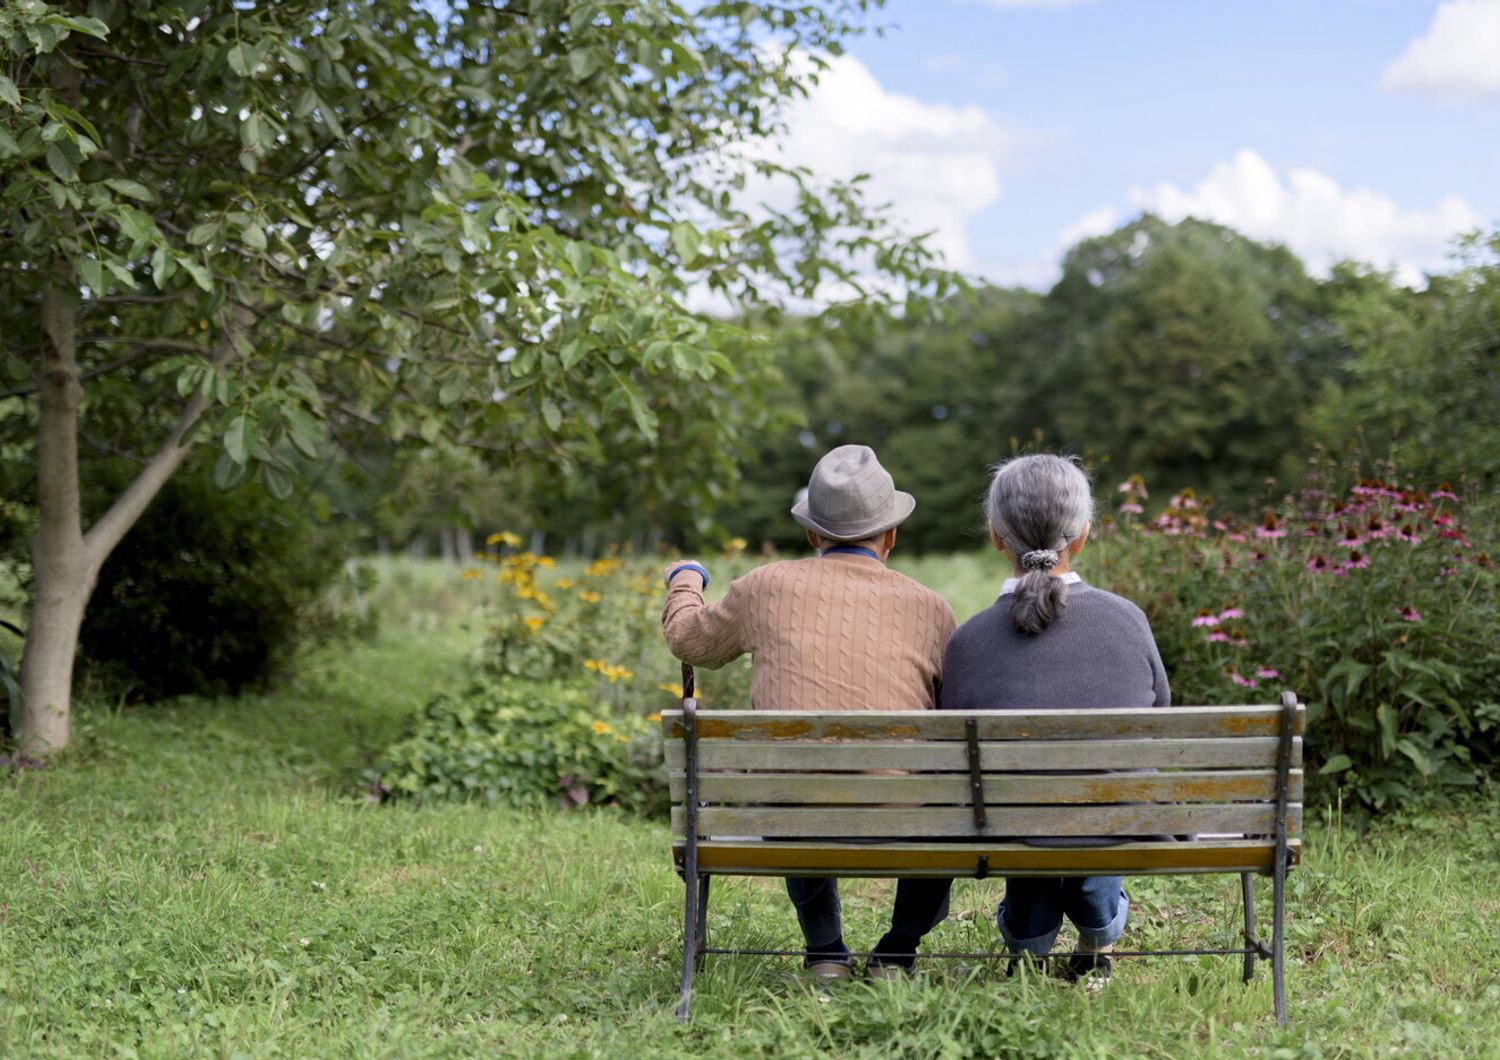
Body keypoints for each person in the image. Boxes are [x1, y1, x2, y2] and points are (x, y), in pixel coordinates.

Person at [662, 444, 957, 980]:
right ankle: (897, 951)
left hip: (786, 816)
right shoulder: (931, 607)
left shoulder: (763, 587)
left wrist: (685, 579)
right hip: (903, 818)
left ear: (812, 535)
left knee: (797, 781)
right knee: (946, 807)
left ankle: (826, 952)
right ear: (891, 535)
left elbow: (688, 641)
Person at [939, 454, 1170, 984]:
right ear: (1083, 534)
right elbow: (1159, 722)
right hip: (1112, 821)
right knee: (1097, 801)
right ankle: (1097, 936)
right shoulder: (1126, 620)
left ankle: (1028, 941)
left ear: (997, 536)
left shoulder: (969, 640)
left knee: (1024, 802)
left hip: (1006, 826)